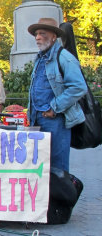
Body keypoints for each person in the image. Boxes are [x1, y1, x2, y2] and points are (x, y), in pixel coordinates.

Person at [27, 18, 87, 172]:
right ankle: (45, 197)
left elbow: (79, 87)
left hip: (56, 120)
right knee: (39, 165)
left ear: (54, 36)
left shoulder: (64, 57)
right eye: (36, 34)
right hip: (36, 120)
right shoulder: (41, 58)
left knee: (57, 167)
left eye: (42, 33)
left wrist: (55, 107)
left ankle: (60, 196)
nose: (38, 37)